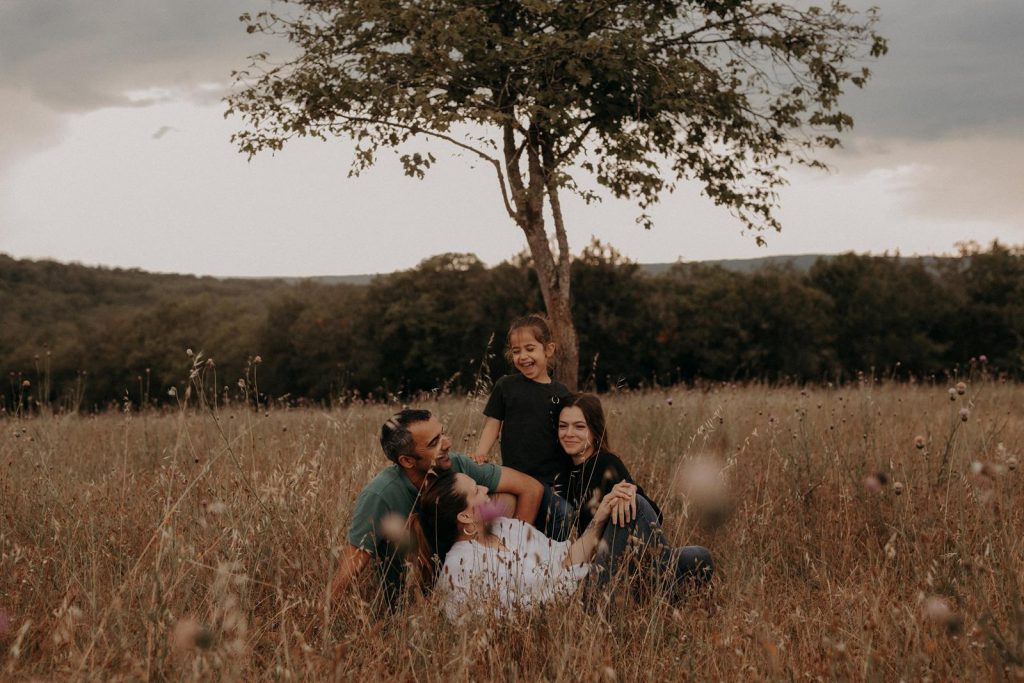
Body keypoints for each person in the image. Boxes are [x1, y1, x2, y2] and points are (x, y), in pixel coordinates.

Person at [330, 408, 545, 609]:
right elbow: (351, 566)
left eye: (443, 434)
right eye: (435, 442)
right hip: (413, 596)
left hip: (472, 576)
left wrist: (516, 554)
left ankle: (498, 582)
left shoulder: (456, 465)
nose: (448, 443)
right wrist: (327, 615)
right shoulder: (380, 496)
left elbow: (531, 488)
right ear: (407, 461)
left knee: (505, 498)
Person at [418, 469, 637, 618]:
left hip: (587, 582)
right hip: (577, 608)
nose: (486, 489)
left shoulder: (505, 526)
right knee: (636, 506)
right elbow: (514, 617)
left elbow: (567, 557)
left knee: (624, 500)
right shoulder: (460, 566)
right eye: (476, 490)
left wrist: (602, 512)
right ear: (464, 517)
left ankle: (664, 575)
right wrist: (570, 597)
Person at [557, 393, 714, 587]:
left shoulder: (605, 463)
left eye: (579, 426)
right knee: (691, 559)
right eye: (563, 426)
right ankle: (668, 595)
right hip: (597, 568)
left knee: (699, 555)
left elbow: (654, 517)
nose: (569, 433)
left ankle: (660, 592)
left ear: (594, 430)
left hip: (626, 557)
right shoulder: (563, 474)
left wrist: (627, 495)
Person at [472, 314, 573, 538]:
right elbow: (493, 422)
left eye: (530, 349)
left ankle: (552, 560)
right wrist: (481, 451)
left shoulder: (561, 394)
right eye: (516, 351)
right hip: (514, 477)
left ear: (548, 350)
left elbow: (568, 435)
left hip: (550, 479)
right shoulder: (506, 386)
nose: (523, 357)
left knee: (563, 513)